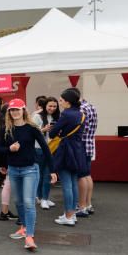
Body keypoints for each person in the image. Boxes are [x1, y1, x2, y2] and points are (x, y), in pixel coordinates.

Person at [0, 100, 56, 252]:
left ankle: (30, 236)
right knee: (18, 201)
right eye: (12, 110)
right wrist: (9, 149)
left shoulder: (32, 128)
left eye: (17, 109)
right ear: (9, 112)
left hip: (30, 169)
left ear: (23, 110)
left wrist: (53, 170)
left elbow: (45, 148)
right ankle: (23, 228)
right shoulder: (6, 129)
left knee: (29, 202)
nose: (15, 112)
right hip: (13, 170)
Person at [48, 89, 88, 226]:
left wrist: (55, 130)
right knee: (73, 183)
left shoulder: (66, 114)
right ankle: (72, 213)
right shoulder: (81, 114)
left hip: (66, 150)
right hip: (78, 150)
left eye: (61, 100)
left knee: (66, 185)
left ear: (67, 101)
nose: (60, 102)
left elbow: (53, 133)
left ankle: (69, 215)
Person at [74, 88, 98, 217]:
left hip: (81, 144)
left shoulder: (81, 109)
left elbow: (77, 129)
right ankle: (88, 204)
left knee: (81, 176)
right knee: (87, 175)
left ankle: (82, 206)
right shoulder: (91, 106)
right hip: (89, 144)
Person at [34, 97, 60, 209]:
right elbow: (31, 132)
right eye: (50, 106)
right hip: (39, 148)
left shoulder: (57, 116)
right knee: (39, 174)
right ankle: (39, 197)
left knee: (49, 174)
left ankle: (45, 198)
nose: (52, 108)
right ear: (45, 105)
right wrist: (43, 130)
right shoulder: (37, 116)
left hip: (52, 148)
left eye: (54, 106)